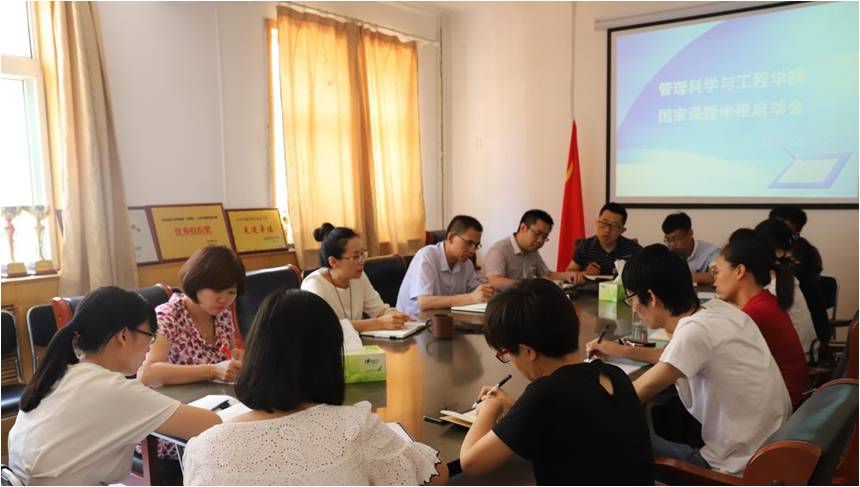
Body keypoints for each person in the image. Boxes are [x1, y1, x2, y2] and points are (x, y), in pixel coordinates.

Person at [182, 290, 447, 485]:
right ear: (330, 359)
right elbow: (434, 474)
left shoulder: (203, 448)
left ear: (256, 353)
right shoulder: (354, 428)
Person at [590, 245, 790, 475]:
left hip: (736, 469)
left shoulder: (694, 332)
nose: (633, 307)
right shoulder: (720, 310)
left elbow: (632, 395)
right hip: (775, 452)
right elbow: (675, 357)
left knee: (608, 429)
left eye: (631, 298)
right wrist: (617, 350)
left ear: (651, 297)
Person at [8, 287, 220, 485]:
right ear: (124, 336)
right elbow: (212, 424)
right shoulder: (114, 390)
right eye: (150, 336)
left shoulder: (60, 374)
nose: (149, 347)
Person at [459, 278, 653, 484]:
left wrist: (489, 408)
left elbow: (471, 463)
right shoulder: (614, 375)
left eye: (506, 354)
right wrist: (517, 408)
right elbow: (570, 424)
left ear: (527, 351)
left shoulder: (545, 394)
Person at [137, 245, 246, 481]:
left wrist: (235, 358)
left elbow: (227, 353)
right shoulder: (169, 315)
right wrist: (212, 370)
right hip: (171, 427)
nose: (224, 299)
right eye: (216, 290)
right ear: (196, 282)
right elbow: (147, 373)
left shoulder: (222, 314)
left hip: (214, 415)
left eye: (231, 291)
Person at [713, 237, 810, 407]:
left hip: (780, 404)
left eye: (717, 272)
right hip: (791, 396)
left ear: (739, 271)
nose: (714, 281)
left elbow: (710, 356)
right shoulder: (765, 301)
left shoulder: (753, 314)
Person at [302, 223, 411, 331]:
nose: (362, 261)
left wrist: (395, 316)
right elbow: (325, 327)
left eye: (363, 254)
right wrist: (380, 322)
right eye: (355, 257)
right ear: (333, 262)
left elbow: (379, 310)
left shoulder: (358, 276)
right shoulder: (314, 285)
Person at [754, 219, 830, 349]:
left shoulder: (786, 277)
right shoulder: (790, 267)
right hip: (811, 346)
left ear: (777, 250)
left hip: (805, 348)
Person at [396, 215, 494, 316]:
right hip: (412, 322)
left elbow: (476, 292)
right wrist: (471, 298)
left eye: (476, 245)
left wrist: (485, 293)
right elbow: (424, 302)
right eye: (469, 243)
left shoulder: (467, 264)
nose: (473, 250)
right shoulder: (427, 256)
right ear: (450, 238)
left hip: (446, 319)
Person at [483, 209, 586, 290]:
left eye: (545, 237)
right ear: (523, 228)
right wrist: (529, 284)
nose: (540, 241)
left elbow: (547, 274)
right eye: (537, 233)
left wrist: (568, 276)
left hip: (522, 300)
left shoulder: (532, 251)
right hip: (499, 304)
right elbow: (495, 281)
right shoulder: (499, 250)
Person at [565, 202, 642, 276]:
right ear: (597, 222)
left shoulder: (633, 250)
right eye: (604, 223)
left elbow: (643, 275)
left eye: (614, 225)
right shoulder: (584, 246)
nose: (607, 230)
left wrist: (626, 274)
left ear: (622, 231)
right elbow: (569, 272)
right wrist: (585, 273)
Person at [661, 212, 720, 284]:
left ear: (690, 233)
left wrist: (681, 277)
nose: (672, 244)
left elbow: (715, 275)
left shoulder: (711, 252)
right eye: (668, 239)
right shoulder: (664, 252)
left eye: (676, 238)